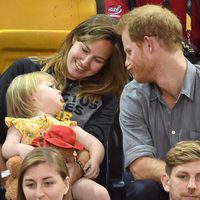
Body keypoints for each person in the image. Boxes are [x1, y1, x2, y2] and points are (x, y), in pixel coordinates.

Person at [0, 13, 127, 197]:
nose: (85, 62)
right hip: (17, 171)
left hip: (67, 174)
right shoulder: (25, 70)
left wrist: (66, 179)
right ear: (74, 38)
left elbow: (91, 143)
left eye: (98, 60)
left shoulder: (106, 95)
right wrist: (5, 177)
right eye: (84, 49)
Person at [117, 4, 200, 200]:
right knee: (142, 190)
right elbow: (139, 165)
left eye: (129, 52)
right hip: (161, 187)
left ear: (148, 45)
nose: (126, 63)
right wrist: (181, 178)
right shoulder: (132, 95)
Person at [2, 71, 110, 200]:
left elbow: (94, 143)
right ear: (31, 95)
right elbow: (7, 148)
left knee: (99, 193)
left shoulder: (67, 125)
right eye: (51, 87)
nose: (59, 91)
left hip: (65, 178)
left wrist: (95, 160)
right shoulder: (20, 124)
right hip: (31, 181)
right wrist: (19, 148)